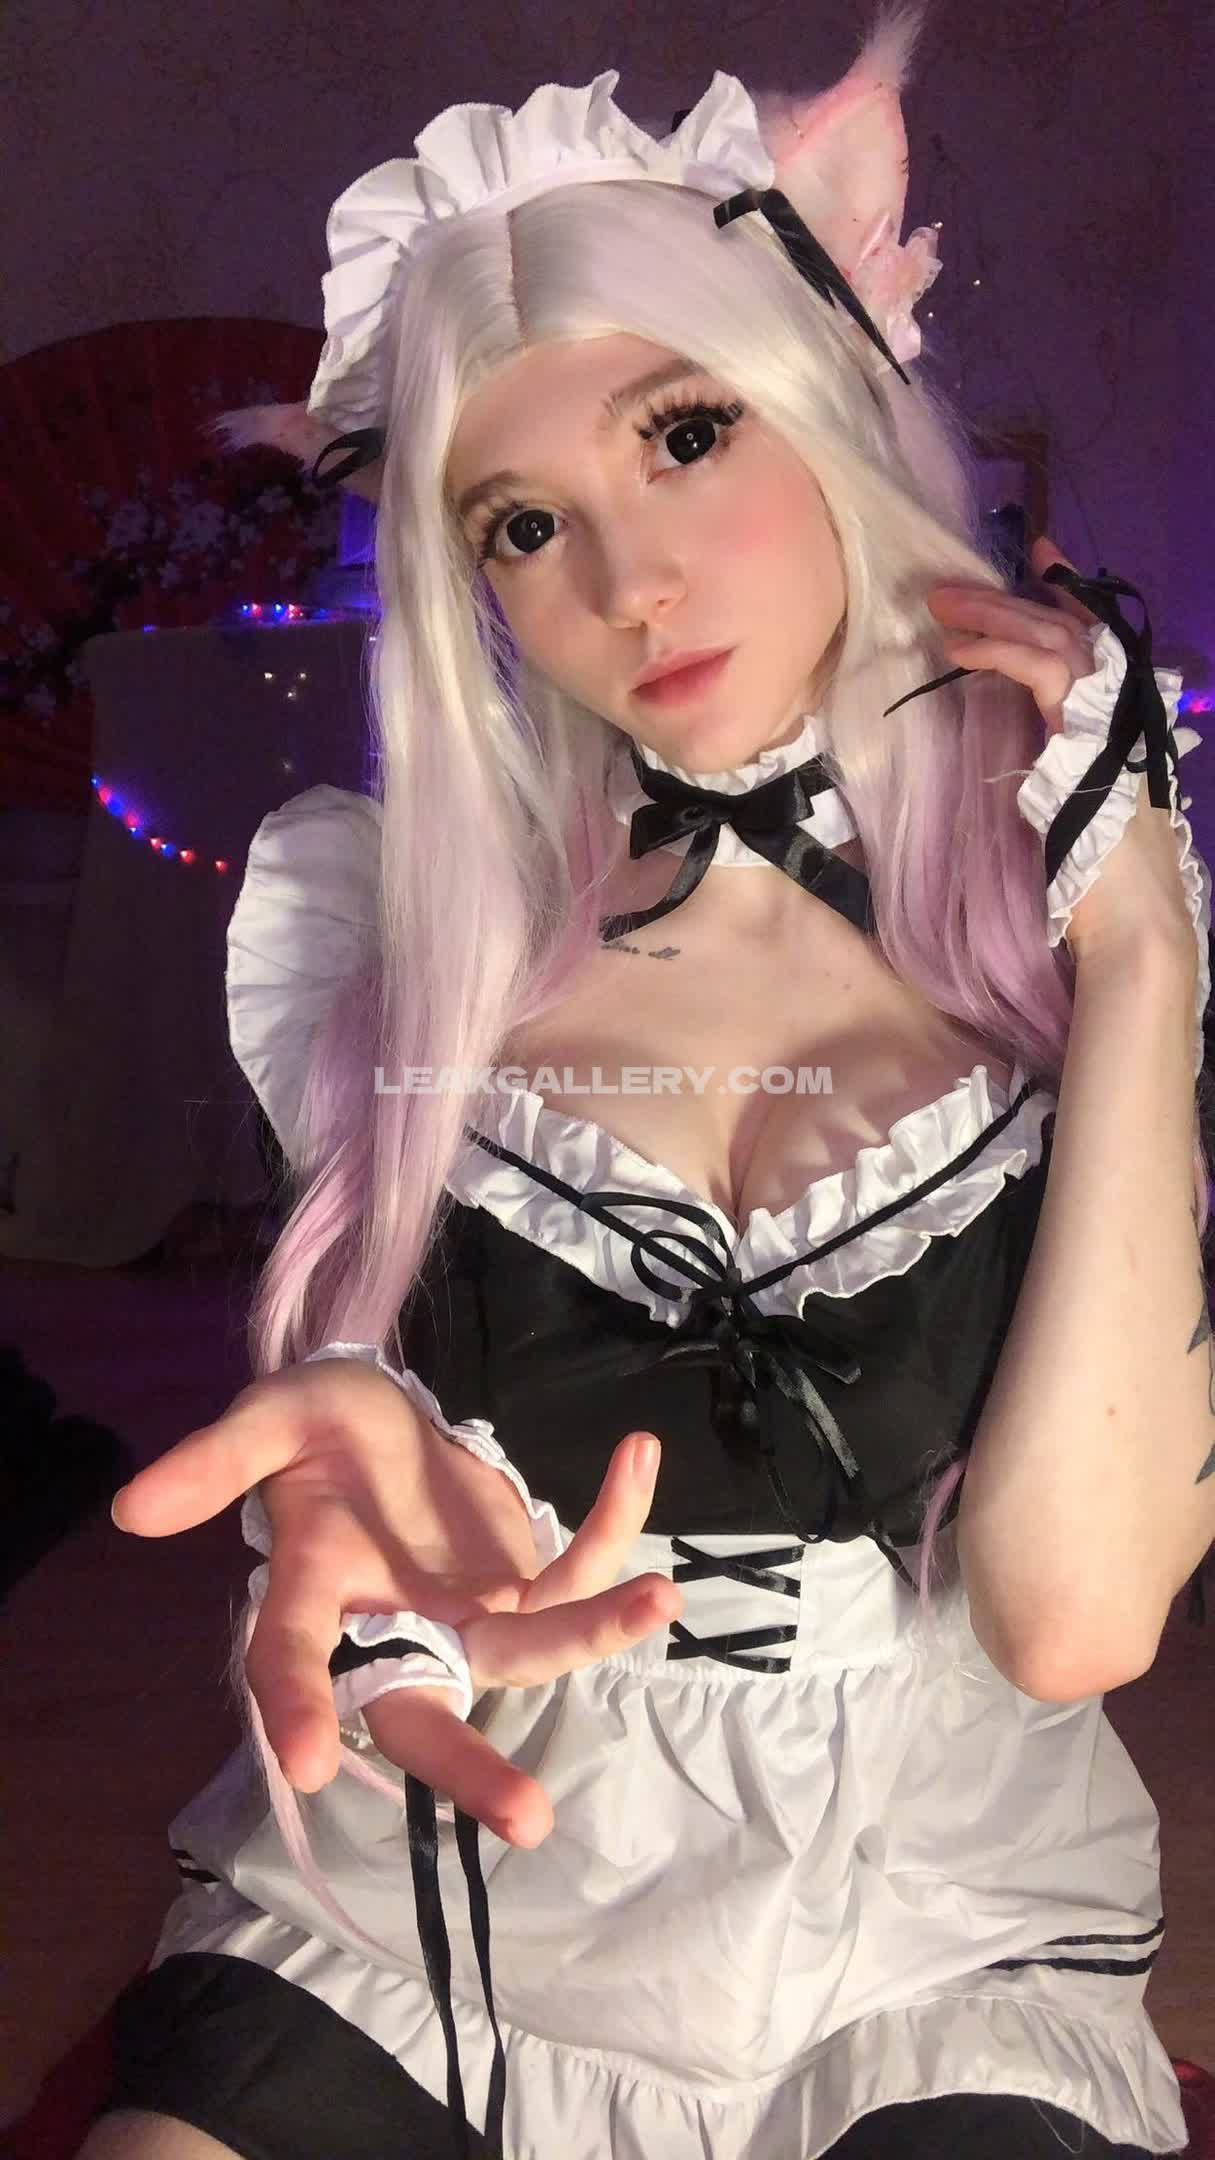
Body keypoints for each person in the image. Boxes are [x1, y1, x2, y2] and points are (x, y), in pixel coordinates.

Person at [81, 9, 1213, 2157]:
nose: (627, 584)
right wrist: (384, 1570)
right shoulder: (409, 944)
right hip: (464, 1864)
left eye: (685, 435)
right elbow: (377, 1504)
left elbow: (1073, 1619)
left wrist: (1141, 935)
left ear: (830, 404)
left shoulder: (1069, 949)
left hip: (917, 1903)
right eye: (522, 524)